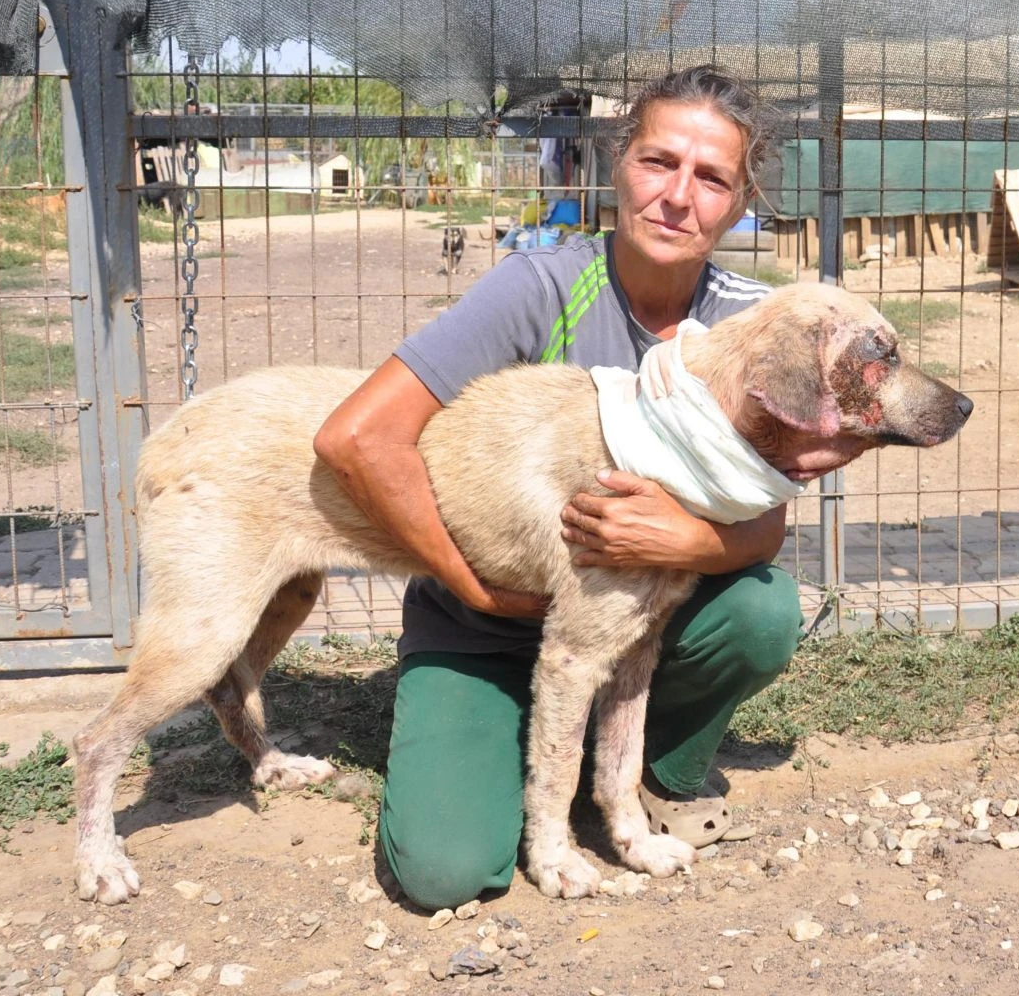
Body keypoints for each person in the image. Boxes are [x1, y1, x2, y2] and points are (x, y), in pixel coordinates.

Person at [313, 66, 804, 911]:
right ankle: (518, 750)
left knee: (760, 610)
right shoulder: (536, 285)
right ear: (617, 165)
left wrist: (681, 542)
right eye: (657, 162)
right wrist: (471, 584)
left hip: (635, 617)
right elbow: (357, 436)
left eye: (712, 176)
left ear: (741, 196)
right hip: (486, 622)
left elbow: (762, 525)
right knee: (445, 873)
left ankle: (637, 776)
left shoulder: (745, 325)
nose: (677, 196)